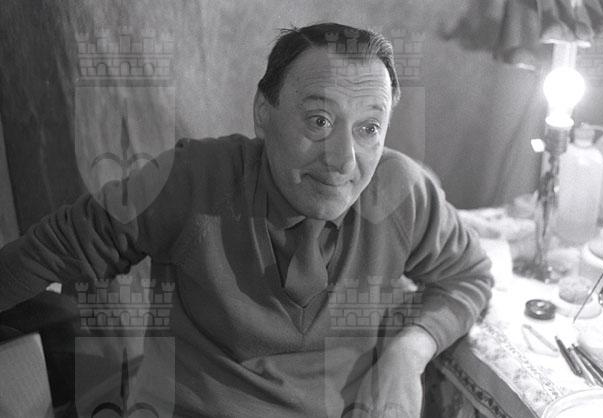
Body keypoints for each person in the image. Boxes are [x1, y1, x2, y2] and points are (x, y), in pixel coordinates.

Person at [0, 22, 493, 417]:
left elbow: (469, 276)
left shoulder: (401, 192)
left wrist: (409, 352)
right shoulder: (195, 180)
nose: (343, 160)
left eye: (369, 128)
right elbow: (53, 248)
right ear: (263, 112)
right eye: (319, 121)